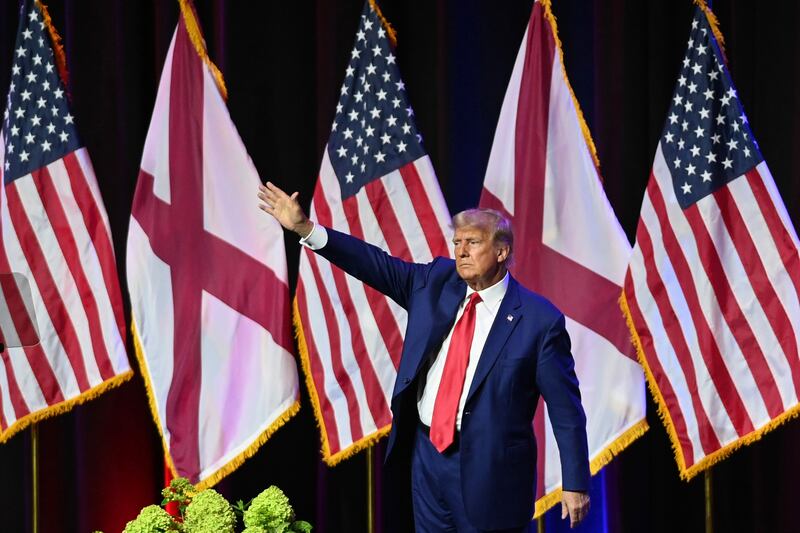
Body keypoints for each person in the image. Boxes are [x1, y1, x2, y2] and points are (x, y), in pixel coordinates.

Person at [258, 181, 590, 532]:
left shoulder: (539, 320)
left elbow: (565, 408)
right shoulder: (436, 281)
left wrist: (575, 482)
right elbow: (375, 264)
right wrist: (306, 229)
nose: (461, 251)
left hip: (490, 472)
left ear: (502, 252)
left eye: (473, 242)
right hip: (428, 457)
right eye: (457, 242)